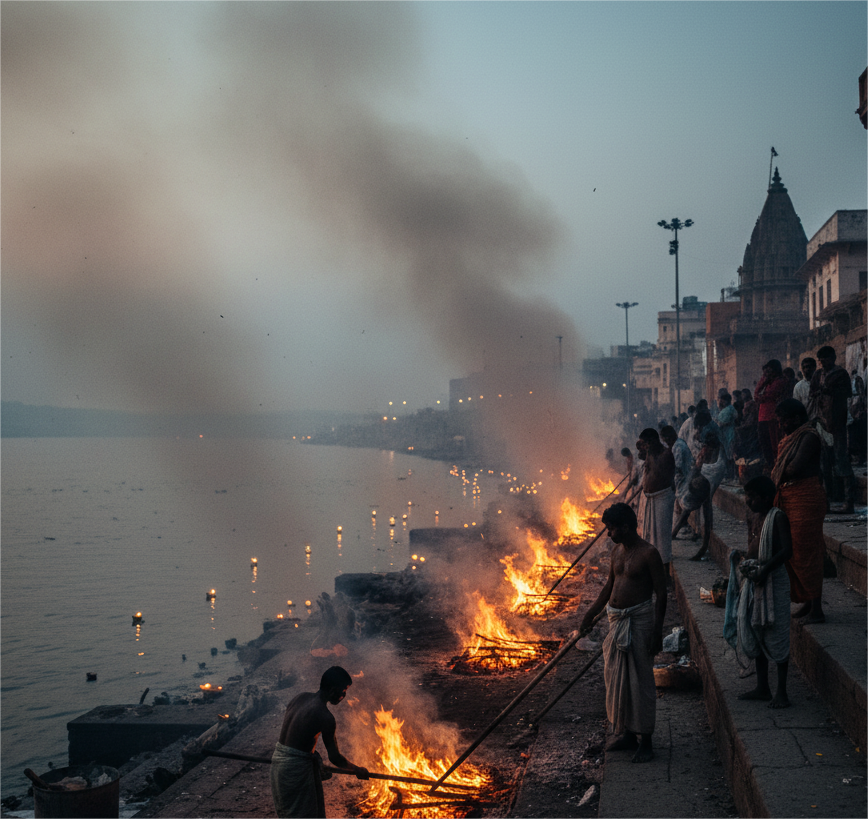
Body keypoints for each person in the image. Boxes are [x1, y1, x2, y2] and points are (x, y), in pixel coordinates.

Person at [580, 502, 666, 763]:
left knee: (640, 681)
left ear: (626, 527)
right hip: (617, 621)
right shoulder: (617, 551)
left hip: (639, 622)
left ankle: (646, 740)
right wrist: (590, 614)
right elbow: (609, 586)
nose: (609, 533)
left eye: (612, 528)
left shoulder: (649, 554)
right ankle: (628, 734)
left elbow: (661, 594)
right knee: (618, 680)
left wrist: (657, 631)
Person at [724, 476, 792, 708]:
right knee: (755, 630)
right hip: (754, 580)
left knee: (777, 633)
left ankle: (781, 692)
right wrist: (743, 558)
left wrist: (765, 568)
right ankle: (763, 687)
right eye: (746, 496)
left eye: (752, 497)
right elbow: (753, 544)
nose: (747, 501)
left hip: (774, 580)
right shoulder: (752, 516)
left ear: (766, 498)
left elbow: (786, 551)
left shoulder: (778, 517)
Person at [272, 666, 369, 819]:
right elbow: (335, 757)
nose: (344, 695)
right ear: (332, 689)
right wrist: (357, 770)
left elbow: (297, 736)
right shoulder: (325, 716)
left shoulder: (300, 697)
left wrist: (314, 762)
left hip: (278, 763)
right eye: (343, 690)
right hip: (295, 770)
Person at [772, 398, 827, 623]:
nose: (780, 425)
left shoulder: (809, 436)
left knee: (807, 552)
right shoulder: (792, 438)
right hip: (790, 497)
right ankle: (807, 600)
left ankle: (817, 610)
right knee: (793, 552)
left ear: (795, 418)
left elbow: (794, 468)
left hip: (806, 499)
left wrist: (777, 472)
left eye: (782, 421)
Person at [809, 345, 855, 513]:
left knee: (841, 460)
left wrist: (830, 391)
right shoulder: (818, 374)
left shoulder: (841, 374)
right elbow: (812, 392)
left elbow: (847, 394)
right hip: (821, 422)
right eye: (821, 362)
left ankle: (849, 502)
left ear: (833, 358)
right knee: (823, 464)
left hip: (837, 422)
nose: (823, 364)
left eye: (826, 360)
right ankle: (825, 501)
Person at [636, 428, 676, 575]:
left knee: (662, 538)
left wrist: (649, 454)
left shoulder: (666, 454)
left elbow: (660, 471)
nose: (644, 448)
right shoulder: (650, 454)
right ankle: (653, 570)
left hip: (662, 498)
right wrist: (644, 451)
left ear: (652, 442)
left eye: (645, 444)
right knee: (650, 537)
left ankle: (664, 573)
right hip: (650, 499)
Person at [755, 360, 788, 472]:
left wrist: (762, 384)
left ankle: (776, 468)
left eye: (768, 371)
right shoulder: (767, 383)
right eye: (765, 372)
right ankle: (771, 467)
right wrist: (763, 381)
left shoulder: (780, 382)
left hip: (772, 417)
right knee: (765, 445)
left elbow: (762, 397)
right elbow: (756, 395)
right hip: (762, 418)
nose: (766, 374)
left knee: (774, 445)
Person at [716, 392, 738, 478]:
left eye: (721, 400)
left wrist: (717, 424)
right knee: (728, 455)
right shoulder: (729, 409)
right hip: (726, 435)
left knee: (730, 456)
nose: (720, 402)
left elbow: (721, 423)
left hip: (729, 435)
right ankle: (730, 475)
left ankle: (731, 475)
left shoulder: (728, 410)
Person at [848, 368, 867, 467]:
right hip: (854, 408)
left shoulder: (857, 380)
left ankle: (861, 458)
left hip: (857, 408)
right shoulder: (855, 380)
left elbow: (861, 394)